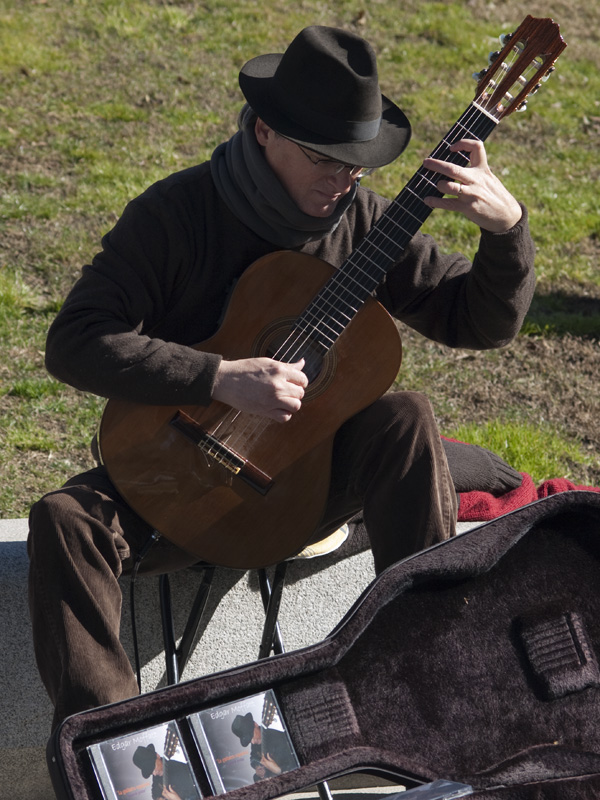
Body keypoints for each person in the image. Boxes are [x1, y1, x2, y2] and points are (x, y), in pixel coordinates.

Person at [27, 25, 535, 732]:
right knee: (63, 519)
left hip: (303, 482)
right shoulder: (176, 215)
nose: (343, 179)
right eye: (324, 159)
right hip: (176, 472)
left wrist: (506, 230)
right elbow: (74, 342)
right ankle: (111, 749)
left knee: (407, 415)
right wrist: (216, 376)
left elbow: (478, 324)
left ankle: (432, 676)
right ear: (264, 131)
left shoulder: (359, 217)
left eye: (357, 164)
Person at [232, 713, 297, 774]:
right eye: (249, 741)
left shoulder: (278, 737)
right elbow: (253, 758)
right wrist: (257, 766)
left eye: (251, 736)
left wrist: (278, 770)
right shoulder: (255, 744)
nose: (253, 742)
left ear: (255, 724)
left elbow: (295, 765)